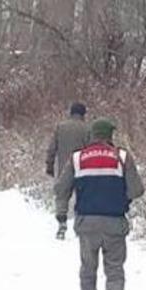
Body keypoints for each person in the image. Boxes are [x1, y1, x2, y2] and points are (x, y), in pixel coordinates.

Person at [54, 118, 144, 290]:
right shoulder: (122, 156)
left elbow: (60, 189)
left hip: (87, 223)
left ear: (92, 135)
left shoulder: (77, 158)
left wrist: (63, 212)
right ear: (110, 135)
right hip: (115, 223)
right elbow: (137, 190)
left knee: (88, 270)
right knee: (114, 270)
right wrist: (122, 198)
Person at [46, 102, 91, 239]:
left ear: (71, 112)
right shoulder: (87, 129)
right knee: (82, 197)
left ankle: (62, 224)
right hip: (82, 168)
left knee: (62, 195)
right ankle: (79, 225)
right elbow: (91, 150)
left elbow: (52, 148)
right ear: (83, 114)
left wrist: (49, 165)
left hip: (64, 169)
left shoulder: (60, 127)